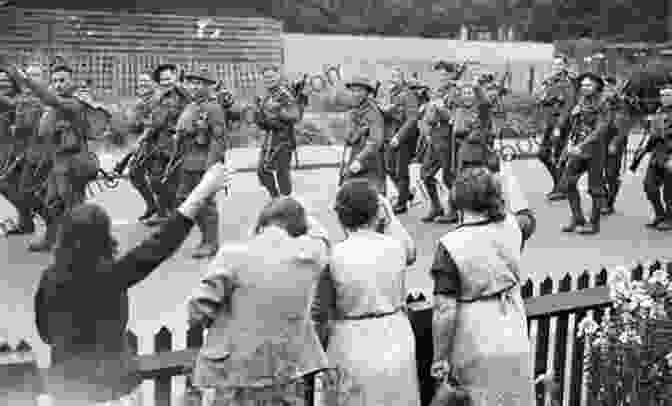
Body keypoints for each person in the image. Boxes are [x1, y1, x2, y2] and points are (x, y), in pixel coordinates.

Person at [33, 161, 234, 406]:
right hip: (115, 387)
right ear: (104, 238)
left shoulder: (50, 279)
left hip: (68, 390)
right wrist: (202, 191)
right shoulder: (112, 276)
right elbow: (161, 244)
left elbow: (45, 333)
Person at [187, 196, 331, 406]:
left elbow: (196, 311)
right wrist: (303, 215)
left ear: (261, 225)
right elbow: (322, 236)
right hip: (285, 371)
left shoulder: (232, 256)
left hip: (235, 374)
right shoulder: (311, 256)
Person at [429, 167, 534, 406]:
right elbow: (529, 218)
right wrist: (509, 177)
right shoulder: (512, 226)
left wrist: (440, 358)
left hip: (475, 334)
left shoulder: (450, 245)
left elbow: (444, 310)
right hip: (513, 327)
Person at [310, 179, 419, 406]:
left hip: (351, 341)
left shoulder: (333, 257)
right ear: (376, 212)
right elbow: (411, 251)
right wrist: (389, 215)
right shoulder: (396, 247)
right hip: (396, 335)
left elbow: (320, 315)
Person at [0, 57, 99, 252]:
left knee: (73, 205)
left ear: (71, 82)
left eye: (62, 80)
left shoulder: (72, 103)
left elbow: (51, 99)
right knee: (52, 203)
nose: (58, 85)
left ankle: (86, 243)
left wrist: (26, 80)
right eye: (55, 81)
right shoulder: (53, 107)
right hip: (57, 161)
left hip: (73, 161)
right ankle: (52, 240)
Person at [173, 66, 227, 258]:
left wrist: (211, 166)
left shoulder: (213, 107)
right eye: (191, 83)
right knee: (183, 200)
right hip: (187, 159)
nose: (194, 87)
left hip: (202, 161)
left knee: (205, 204)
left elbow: (219, 139)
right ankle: (205, 237)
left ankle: (210, 242)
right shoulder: (192, 105)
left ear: (208, 86)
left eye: (198, 83)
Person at [458, 140, 536, 250]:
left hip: (503, 229)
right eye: (466, 164)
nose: (470, 169)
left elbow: (527, 220)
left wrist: (504, 228)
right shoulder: (463, 182)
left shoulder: (500, 176)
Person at [558, 72, 609, 235]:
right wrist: (570, 143)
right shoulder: (581, 101)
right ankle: (578, 217)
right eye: (582, 85)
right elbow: (575, 125)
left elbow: (601, 129)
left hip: (595, 150)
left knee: (595, 188)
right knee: (567, 183)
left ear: (596, 86)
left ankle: (594, 223)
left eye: (588, 85)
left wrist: (583, 144)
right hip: (578, 149)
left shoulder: (603, 103)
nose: (584, 88)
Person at [143, 63, 191, 226]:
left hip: (178, 142)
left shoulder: (183, 95)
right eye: (162, 79)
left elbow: (192, 110)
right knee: (155, 179)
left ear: (175, 78)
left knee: (174, 181)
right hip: (160, 143)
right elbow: (153, 119)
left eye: (169, 78)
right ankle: (163, 211)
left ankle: (172, 214)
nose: (166, 82)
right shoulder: (157, 98)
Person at [418, 60, 463, 224]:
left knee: (449, 177)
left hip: (447, 137)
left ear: (451, 75)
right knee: (425, 174)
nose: (441, 77)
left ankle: (454, 211)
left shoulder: (455, 91)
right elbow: (429, 114)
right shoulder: (438, 91)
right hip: (435, 136)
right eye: (439, 74)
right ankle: (436, 206)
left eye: (444, 74)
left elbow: (454, 116)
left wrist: (440, 108)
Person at [114, 71, 160, 221]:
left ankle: (164, 210)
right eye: (140, 82)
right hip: (143, 144)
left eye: (146, 82)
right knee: (135, 174)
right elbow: (133, 125)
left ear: (153, 83)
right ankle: (152, 205)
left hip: (157, 144)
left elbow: (153, 125)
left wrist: (139, 138)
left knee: (157, 179)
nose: (142, 85)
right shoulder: (140, 102)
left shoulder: (157, 100)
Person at [254, 64, 302, 198]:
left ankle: (286, 199)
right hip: (269, 139)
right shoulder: (265, 96)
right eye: (266, 77)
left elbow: (295, 115)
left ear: (278, 77)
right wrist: (258, 116)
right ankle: (275, 196)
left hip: (283, 139)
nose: (269, 79)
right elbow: (263, 121)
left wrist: (279, 111)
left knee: (282, 172)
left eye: (271, 76)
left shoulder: (284, 94)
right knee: (261, 171)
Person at [534, 56, 577, 201]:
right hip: (550, 123)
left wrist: (559, 126)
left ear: (565, 66)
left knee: (558, 156)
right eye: (555, 64)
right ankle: (560, 185)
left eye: (560, 64)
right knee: (542, 154)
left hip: (561, 124)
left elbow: (568, 106)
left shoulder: (568, 83)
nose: (557, 66)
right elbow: (543, 101)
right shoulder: (550, 82)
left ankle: (561, 188)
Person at [337, 75, 387, 194]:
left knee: (373, 198)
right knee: (348, 195)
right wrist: (355, 129)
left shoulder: (373, 112)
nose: (355, 94)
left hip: (371, 161)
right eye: (353, 91)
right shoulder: (354, 111)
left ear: (366, 93)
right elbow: (350, 139)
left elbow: (376, 141)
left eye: (359, 90)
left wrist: (360, 159)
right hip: (356, 156)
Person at [383, 67, 421, 214]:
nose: (393, 79)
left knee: (401, 171)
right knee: (389, 167)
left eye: (396, 76)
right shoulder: (392, 94)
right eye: (391, 76)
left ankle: (402, 203)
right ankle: (405, 193)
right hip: (391, 137)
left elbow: (412, 118)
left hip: (404, 138)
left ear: (402, 79)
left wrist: (399, 137)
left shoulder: (408, 94)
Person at [641, 84, 672, 230]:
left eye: (668, 95)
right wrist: (645, 149)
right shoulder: (659, 111)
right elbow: (654, 135)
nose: (664, 98)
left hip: (670, 155)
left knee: (669, 192)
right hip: (657, 155)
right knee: (649, 186)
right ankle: (660, 215)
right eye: (662, 95)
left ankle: (669, 218)